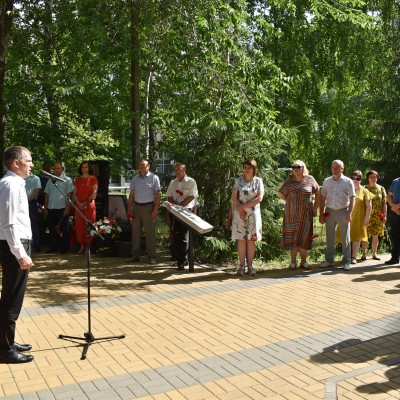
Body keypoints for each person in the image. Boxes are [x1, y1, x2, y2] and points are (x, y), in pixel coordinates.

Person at [0, 146, 34, 363]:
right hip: (14, 246)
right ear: (16, 163)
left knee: (12, 298)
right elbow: (8, 224)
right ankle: (5, 349)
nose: (32, 164)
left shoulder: (15, 184)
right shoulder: (10, 185)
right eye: (28, 160)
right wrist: (20, 253)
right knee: (11, 299)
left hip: (15, 244)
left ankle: (8, 341)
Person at [278, 160, 320, 270]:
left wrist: (315, 208)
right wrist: (290, 201)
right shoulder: (289, 181)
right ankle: (293, 262)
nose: (295, 169)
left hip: (306, 214)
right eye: (293, 167)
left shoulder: (310, 179)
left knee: (304, 236)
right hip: (291, 214)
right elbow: (280, 193)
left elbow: (318, 192)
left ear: (303, 168)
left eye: (298, 167)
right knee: (292, 237)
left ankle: (304, 261)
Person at [319, 160, 355, 271]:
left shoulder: (348, 181)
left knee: (345, 238)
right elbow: (322, 197)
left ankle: (346, 261)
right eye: (333, 167)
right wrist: (321, 214)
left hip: (343, 211)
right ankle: (329, 261)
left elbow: (352, 198)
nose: (334, 169)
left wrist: (349, 213)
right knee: (330, 237)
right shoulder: (326, 181)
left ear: (342, 169)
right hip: (329, 211)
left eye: (337, 167)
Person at [231, 159, 264, 276]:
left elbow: (259, 198)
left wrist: (243, 207)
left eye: (249, 167)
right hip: (239, 214)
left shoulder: (258, 181)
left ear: (254, 169)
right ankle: (241, 266)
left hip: (253, 214)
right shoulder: (238, 180)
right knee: (241, 240)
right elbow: (233, 198)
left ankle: (250, 266)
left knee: (251, 240)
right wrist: (240, 210)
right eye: (245, 167)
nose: (247, 169)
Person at [127, 159, 161, 264]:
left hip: (149, 207)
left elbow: (158, 194)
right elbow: (132, 194)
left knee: (149, 232)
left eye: (144, 165)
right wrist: (129, 207)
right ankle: (135, 255)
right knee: (135, 232)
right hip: (136, 207)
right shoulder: (135, 179)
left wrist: (155, 209)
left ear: (148, 166)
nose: (142, 167)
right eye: (140, 165)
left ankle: (152, 256)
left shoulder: (154, 178)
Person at [166, 163, 198, 270]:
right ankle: (178, 257)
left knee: (184, 237)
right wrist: (173, 208)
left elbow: (192, 196)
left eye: (179, 170)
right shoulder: (173, 183)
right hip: (175, 211)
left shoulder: (191, 182)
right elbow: (169, 197)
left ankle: (183, 261)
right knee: (176, 235)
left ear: (184, 170)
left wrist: (180, 206)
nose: (177, 172)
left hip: (187, 212)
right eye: (175, 170)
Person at [336, 171, 372, 264]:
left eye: (358, 178)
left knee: (357, 237)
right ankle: (346, 256)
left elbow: (369, 206)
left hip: (359, 218)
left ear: (361, 180)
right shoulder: (346, 189)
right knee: (345, 237)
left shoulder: (365, 191)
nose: (355, 180)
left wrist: (367, 218)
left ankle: (353, 257)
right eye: (353, 178)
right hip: (346, 217)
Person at [44, 162, 73, 254]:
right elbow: (47, 195)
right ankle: (53, 247)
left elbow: (69, 195)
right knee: (51, 229)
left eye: (58, 168)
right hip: (51, 208)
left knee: (64, 229)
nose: (56, 170)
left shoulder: (67, 180)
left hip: (63, 208)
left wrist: (67, 208)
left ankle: (64, 247)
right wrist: (45, 208)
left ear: (62, 169)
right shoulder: (50, 180)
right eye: (55, 168)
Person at [73, 161, 98, 255]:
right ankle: (81, 245)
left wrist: (85, 203)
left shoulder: (93, 179)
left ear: (89, 168)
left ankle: (88, 246)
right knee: (79, 225)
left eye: (86, 167)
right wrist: (79, 203)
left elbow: (94, 193)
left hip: (89, 205)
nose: (84, 169)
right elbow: (75, 194)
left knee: (89, 225)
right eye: (83, 167)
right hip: (79, 205)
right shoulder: (78, 180)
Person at [361, 170, 387, 260]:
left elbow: (384, 203)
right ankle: (364, 253)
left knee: (375, 235)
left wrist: (385, 215)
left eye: (375, 177)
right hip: (366, 215)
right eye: (372, 177)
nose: (374, 178)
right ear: (368, 178)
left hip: (378, 216)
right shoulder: (364, 188)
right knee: (365, 235)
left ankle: (374, 253)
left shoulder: (381, 188)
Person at [385, 175, 400, 265]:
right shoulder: (396, 181)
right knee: (395, 235)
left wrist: (397, 206)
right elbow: (389, 195)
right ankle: (395, 258)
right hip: (394, 213)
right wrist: (392, 206)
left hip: (396, 209)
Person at [25, 172, 42, 252]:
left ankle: (36, 244)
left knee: (34, 224)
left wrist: (25, 201)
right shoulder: (18, 177)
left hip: (32, 204)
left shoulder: (36, 178)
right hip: (19, 204)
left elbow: (36, 193)